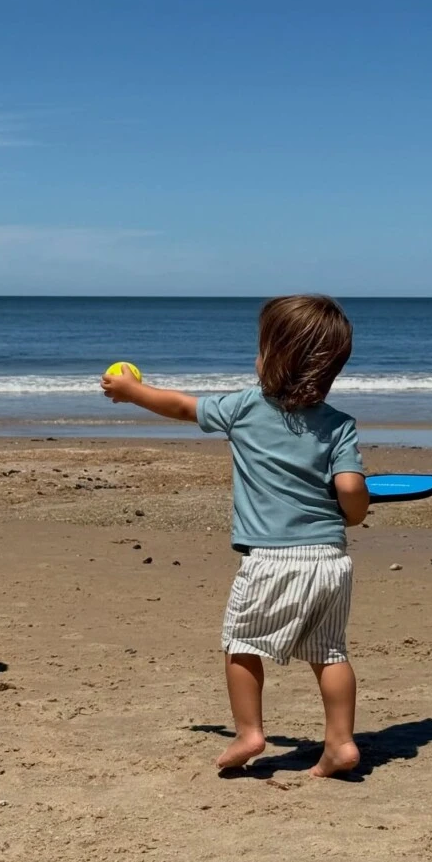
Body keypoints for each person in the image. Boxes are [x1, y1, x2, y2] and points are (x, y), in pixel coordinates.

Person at [101, 294, 369, 777]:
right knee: (330, 652)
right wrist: (353, 511)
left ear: (274, 359)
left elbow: (182, 406)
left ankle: (249, 733)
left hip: (271, 560)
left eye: (262, 349)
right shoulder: (340, 426)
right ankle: (341, 743)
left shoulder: (246, 407)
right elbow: (351, 493)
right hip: (330, 560)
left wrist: (132, 391)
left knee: (242, 643)